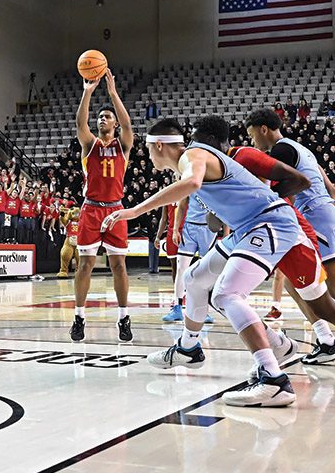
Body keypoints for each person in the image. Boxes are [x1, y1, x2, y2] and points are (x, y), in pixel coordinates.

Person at [103, 116, 305, 407]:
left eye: (148, 150)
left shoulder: (193, 154)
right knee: (195, 278)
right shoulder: (193, 157)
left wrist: (135, 211)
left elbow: (193, 182)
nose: (147, 156)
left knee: (227, 294)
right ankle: (189, 347)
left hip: (269, 224)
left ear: (158, 145)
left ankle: (274, 381)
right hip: (248, 226)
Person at [246, 108, 335, 366]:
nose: (252, 142)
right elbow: (332, 187)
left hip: (317, 216)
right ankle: (326, 341)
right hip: (323, 212)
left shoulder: (281, 150)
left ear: (263, 129)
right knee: (295, 281)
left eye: (251, 135)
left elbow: (280, 189)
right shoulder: (301, 149)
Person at [70, 69, 134, 343]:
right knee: (84, 265)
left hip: (116, 210)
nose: (102, 118)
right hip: (91, 209)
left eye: (107, 116)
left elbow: (129, 125)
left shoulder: (124, 145)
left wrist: (112, 93)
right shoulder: (89, 145)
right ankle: (79, 316)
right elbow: (79, 124)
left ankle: (123, 317)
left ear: (115, 124)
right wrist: (87, 92)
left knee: (119, 266)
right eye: (100, 116)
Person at [163, 196, 217, 323]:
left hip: (208, 230)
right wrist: (176, 229)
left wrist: (226, 234)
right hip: (189, 228)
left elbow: (225, 210)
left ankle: (205, 310)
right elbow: (181, 206)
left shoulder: (216, 183)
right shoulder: (191, 179)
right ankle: (177, 307)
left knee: (207, 272)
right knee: (181, 268)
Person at [58, 207, 80, 278]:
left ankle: (79, 271)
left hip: (79, 240)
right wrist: (62, 215)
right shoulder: (68, 222)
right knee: (65, 255)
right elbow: (63, 220)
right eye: (74, 213)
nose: (76, 215)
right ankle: (63, 271)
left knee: (80, 257)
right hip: (69, 239)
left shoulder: (81, 222)